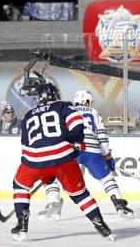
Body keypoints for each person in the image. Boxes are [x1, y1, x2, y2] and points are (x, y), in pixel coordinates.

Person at [11, 83, 113, 241]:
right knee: (79, 194)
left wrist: (38, 163)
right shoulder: (62, 106)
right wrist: (75, 142)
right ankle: (100, 224)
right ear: (55, 95)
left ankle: (22, 222)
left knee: (20, 185)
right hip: (62, 157)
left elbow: (25, 143)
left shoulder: (28, 115)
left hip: (34, 159)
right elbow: (78, 124)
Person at [38, 90, 134, 220]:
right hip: (92, 148)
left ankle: (53, 203)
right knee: (106, 178)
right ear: (87, 101)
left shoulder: (67, 110)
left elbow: (60, 132)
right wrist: (107, 156)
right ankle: (118, 203)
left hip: (72, 149)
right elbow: (102, 136)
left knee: (52, 175)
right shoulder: (94, 112)